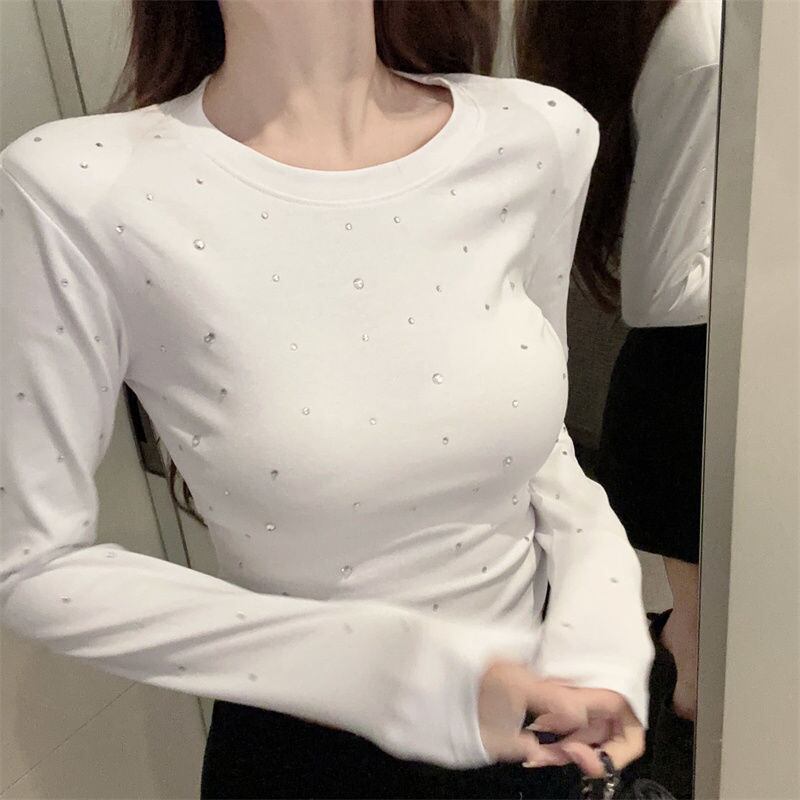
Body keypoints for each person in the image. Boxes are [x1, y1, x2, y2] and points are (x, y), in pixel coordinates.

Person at [0, 1, 655, 797]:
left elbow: (543, 449)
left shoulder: (539, 133)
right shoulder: (81, 187)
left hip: (548, 729)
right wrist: (397, 671)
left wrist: (601, 637)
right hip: (310, 757)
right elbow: (32, 566)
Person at [516, 1, 721, 796]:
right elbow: (664, 289)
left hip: (696, 393)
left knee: (703, 656)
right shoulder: (706, 39)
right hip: (699, 397)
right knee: (709, 672)